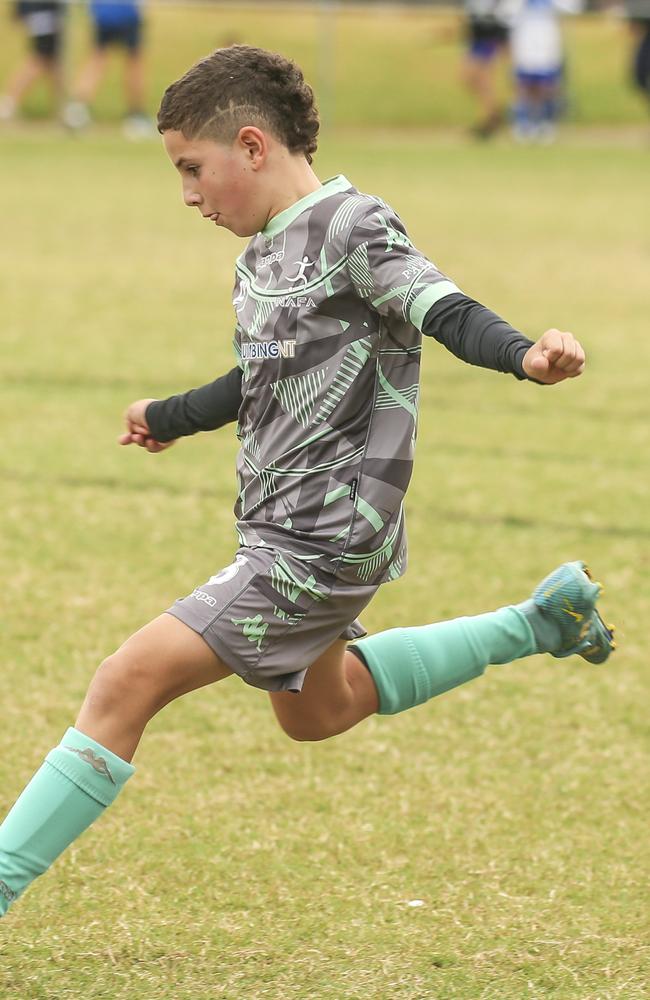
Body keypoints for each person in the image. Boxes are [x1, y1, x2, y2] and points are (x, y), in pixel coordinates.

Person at [0, 44, 616, 920]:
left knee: (123, 683)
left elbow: (442, 308)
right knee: (318, 713)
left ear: (252, 146)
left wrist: (525, 355)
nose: (187, 194)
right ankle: (538, 622)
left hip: (320, 539)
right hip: (286, 531)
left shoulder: (355, 228)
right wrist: (169, 415)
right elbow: (261, 376)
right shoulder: (260, 257)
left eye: (191, 168)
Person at [62, 0, 152, 138]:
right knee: (133, 63)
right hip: (125, 12)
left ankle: (77, 110)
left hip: (102, 13)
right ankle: (136, 115)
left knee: (98, 59)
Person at [510, 0, 580, 143]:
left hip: (547, 41)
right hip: (524, 40)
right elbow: (507, 13)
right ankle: (524, 123)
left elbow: (573, 8)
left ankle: (546, 122)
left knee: (547, 85)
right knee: (524, 84)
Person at [0, 0, 64, 122]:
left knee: (53, 63)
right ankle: (8, 103)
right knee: (39, 60)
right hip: (44, 17)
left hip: (47, 17)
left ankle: (62, 108)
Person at [461, 0, 512, 139]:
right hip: (477, 35)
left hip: (489, 34)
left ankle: (490, 118)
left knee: (482, 77)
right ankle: (493, 113)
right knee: (469, 78)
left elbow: (499, 12)